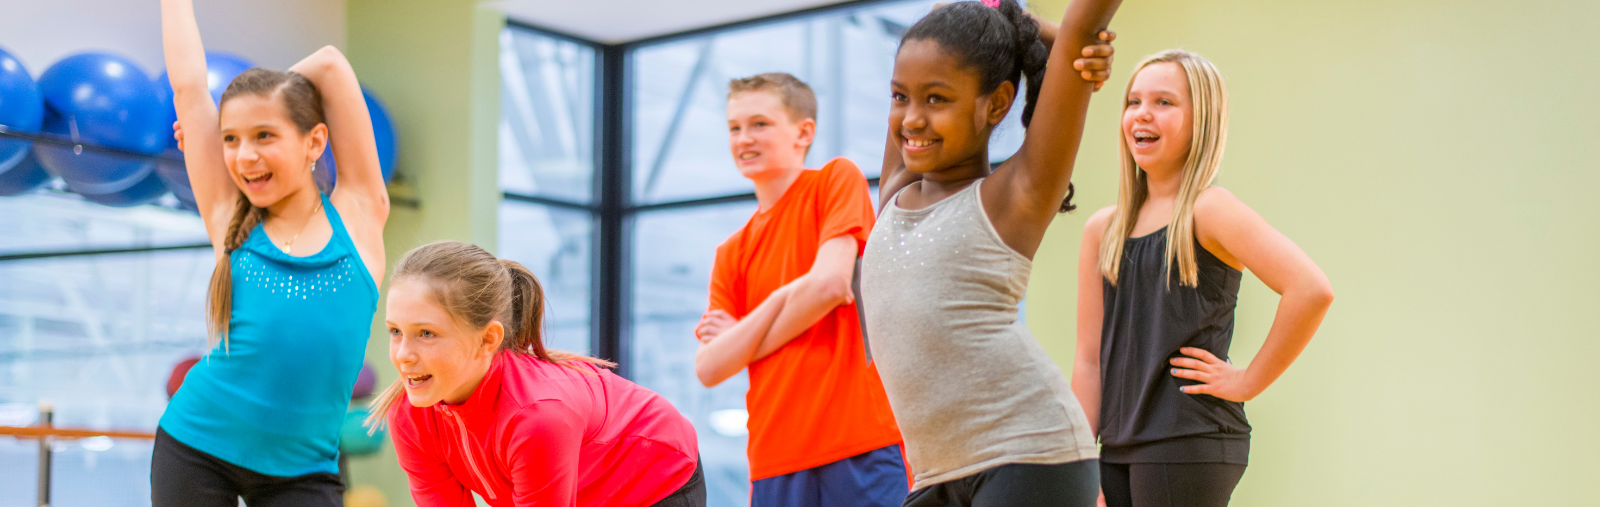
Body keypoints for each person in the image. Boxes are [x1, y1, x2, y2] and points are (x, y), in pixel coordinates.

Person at [859, 0, 1119, 505]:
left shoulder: (1015, 194)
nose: (912, 119)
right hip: (936, 473)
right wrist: (1032, 30)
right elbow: (943, 10)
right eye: (900, 96)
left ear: (997, 104)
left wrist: (1070, 38)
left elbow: (1086, 21)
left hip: (1029, 456)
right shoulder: (894, 191)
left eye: (936, 99)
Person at [1073, 50, 1334, 507]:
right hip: (1114, 448)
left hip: (1187, 440)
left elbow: (1310, 289)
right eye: (1133, 101)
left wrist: (1247, 381)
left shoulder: (1210, 210)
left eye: (1164, 102)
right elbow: (1088, 360)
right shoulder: (1101, 229)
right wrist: (1077, 463)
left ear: (1202, 120)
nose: (1142, 114)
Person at [153, 0, 390, 505]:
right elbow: (188, 87)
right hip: (196, 447)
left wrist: (260, 99)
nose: (245, 155)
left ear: (314, 141)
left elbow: (328, 61)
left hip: (303, 472)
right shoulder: (229, 217)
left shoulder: (359, 214)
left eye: (264, 135)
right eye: (231, 138)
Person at [692, 72, 907, 507]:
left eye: (759, 124)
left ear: (803, 131)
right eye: (734, 127)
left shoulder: (834, 180)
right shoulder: (731, 251)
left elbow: (829, 284)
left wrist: (744, 334)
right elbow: (709, 367)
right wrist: (787, 298)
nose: (743, 138)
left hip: (858, 439)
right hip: (774, 455)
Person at [375, 241, 704, 507]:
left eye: (426, 334)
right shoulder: (410, 414)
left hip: (656, 476)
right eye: (395, 331)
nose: (403, 355)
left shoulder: (537, 416)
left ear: (487, 340)